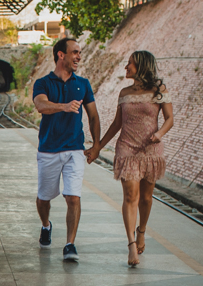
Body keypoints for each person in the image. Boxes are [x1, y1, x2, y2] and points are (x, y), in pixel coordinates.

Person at [87, 51, 174, 267]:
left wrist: (159, 134)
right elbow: (117, 124)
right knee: (130, 196)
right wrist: (98, 147)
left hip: (150, 149)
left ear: (141, 66)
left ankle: (141, 230)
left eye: (130, 64)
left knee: (146, 198)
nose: (126, 67)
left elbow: (169, 119)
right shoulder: (124, 93)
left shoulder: (159, 90)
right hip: (126, 148)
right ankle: (131, 245)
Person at [32, 37, 101, 263]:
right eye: (75, 52)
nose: (79, 57)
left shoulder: (83, 84)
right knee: (44, 198)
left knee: (73, 197)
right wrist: (63, 106)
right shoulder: (43, 83)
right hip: (48, 149)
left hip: (74, 149)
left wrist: (97, 145)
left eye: (79, 53)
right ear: (61, 55)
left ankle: (70, 244)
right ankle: (46, 225)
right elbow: (41, 105)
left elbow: (93, 116)